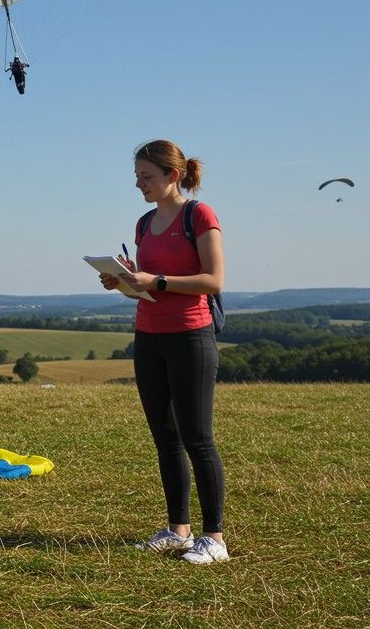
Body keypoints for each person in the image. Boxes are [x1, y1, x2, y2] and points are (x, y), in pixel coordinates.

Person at [100, 139, 228, 564]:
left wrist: (154, 281)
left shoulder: (199, 215)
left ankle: (214, 539)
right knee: (165, 438)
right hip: (149, 336)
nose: (139, 185)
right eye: (137, 177)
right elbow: (147, 289)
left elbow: (213, 281)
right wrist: (123, 282)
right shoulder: (143, 224)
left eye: (146, 177)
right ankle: (178, 531)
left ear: (173, 176)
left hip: (191, 336)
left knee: (198, 438)